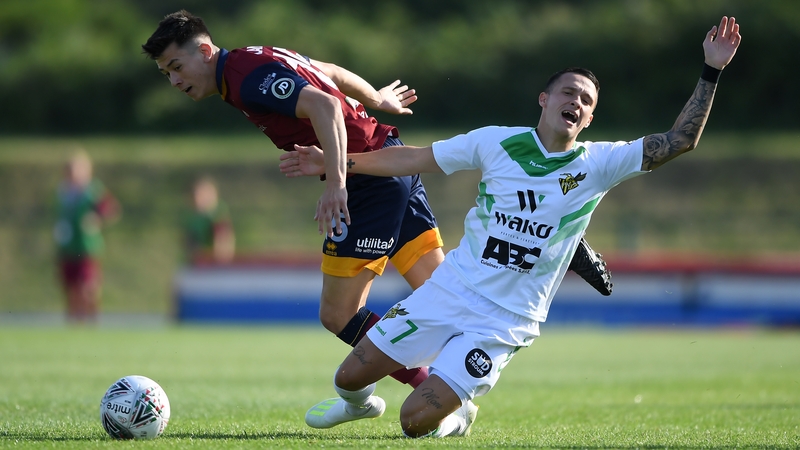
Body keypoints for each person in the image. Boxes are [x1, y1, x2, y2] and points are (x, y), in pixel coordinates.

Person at [280, 17, 741, 438]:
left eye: (586, 101)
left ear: (589, 119)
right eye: (568, 92)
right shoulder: (495, 142)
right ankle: (360, 406)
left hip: (505, 320)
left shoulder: (599, 162)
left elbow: (681, 140)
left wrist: (712, 70)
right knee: (347, 378)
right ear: (544, 99)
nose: (576, 102)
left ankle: (459, 413)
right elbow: (411, 158)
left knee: (414, 422)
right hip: (450, 290)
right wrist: (335, 163)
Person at [141, 10, 611, 391]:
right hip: (390, 159)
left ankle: (425, 388)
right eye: (166, 74)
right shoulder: (253, 57)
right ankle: (557, 243)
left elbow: (325, 104)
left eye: (176, 67)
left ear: (205, 51)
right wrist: (376, 99)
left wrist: (336, 183)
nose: (174, 81)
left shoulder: (244, 77)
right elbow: (328, 73)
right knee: (447, 292)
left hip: (371, 178)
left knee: (338, 314)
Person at [54, 150, 121, 322]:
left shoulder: (93, 191)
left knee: (88, 287)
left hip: (87, 247)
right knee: (71, 288)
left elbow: (111, 209)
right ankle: (75, 323)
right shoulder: (63, 192)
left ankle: (92, 319)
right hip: (68, 247)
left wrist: (96, 218)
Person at [184, 177, 235, 264]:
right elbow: (190, 244)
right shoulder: (194, 219)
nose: (197, 200)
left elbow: (223, 244)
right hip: (200, 263)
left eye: (202, 196)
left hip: (215, 264)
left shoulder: (219, 214)